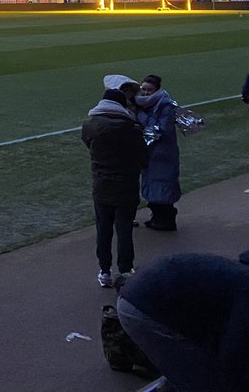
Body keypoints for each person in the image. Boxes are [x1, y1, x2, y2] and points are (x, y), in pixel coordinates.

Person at [117, 248, 249, 392]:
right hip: (145, 306)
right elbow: (232, 357)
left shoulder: (238, 274)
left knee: (192, 370)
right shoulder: (244, 286)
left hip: (146, 294)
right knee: (207, 382)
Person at [81, 75, 148, 288]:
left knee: (104, 229)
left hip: (101, 186)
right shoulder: (130, 129)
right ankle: (126, 270)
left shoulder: (90, 125)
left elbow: (89, 145)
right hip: (126, 186)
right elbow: (144, 158)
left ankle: (104, 270)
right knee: (124, 230)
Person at [135, 74, 181, 231]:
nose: (146, 93)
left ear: (157, 89)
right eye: (144, 89)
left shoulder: (166, 105)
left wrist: (139, 116)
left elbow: (161, 129)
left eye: (149, 89)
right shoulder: (143, 103)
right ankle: (156, 217)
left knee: (163, 186)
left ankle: (166, 221)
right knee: (151, 185)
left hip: (163, 153)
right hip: (150, 152)